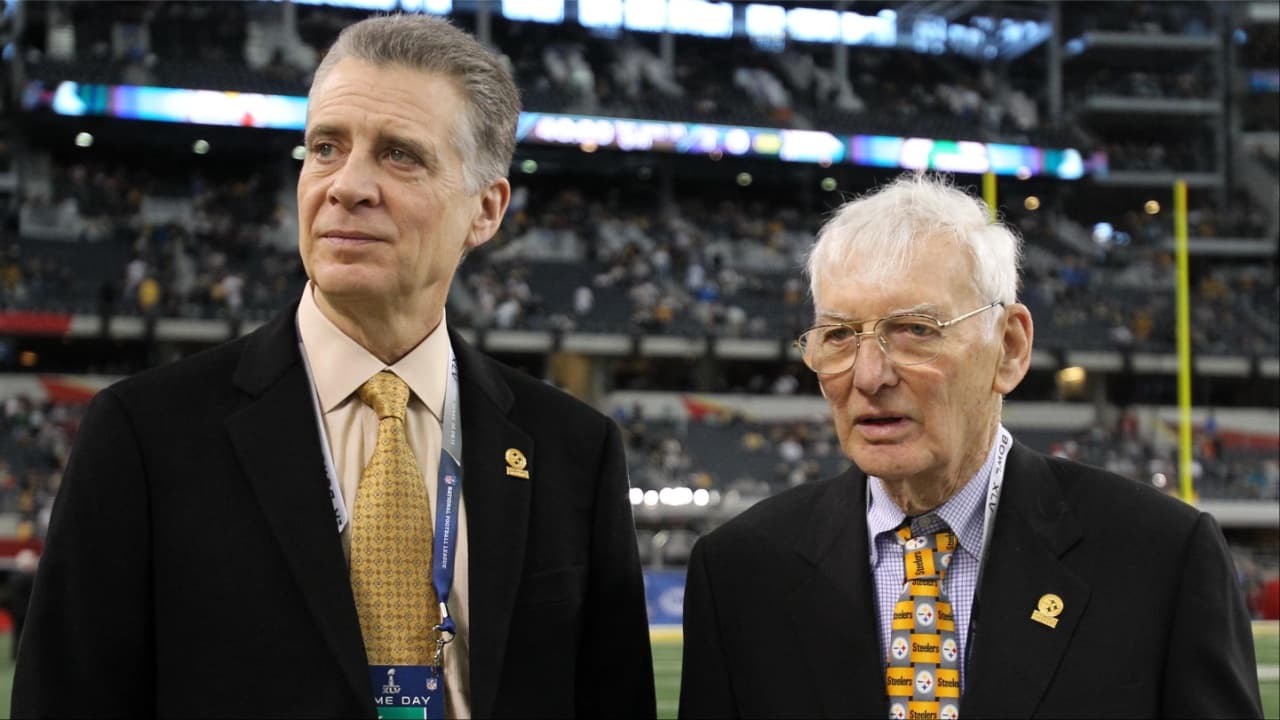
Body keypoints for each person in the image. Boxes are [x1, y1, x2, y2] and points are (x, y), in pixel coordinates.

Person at [13, 15, 655, 719]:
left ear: (486, 209)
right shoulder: (143, 436)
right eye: (326, 147)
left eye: (400, 155)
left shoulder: (574, 451)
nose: (348, 185)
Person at [678, 173, 1262, 719]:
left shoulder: (1162, 558)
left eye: (915, 330)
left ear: (1008, 347)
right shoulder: (738, 573)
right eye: (838, 335)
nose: (868, 375)